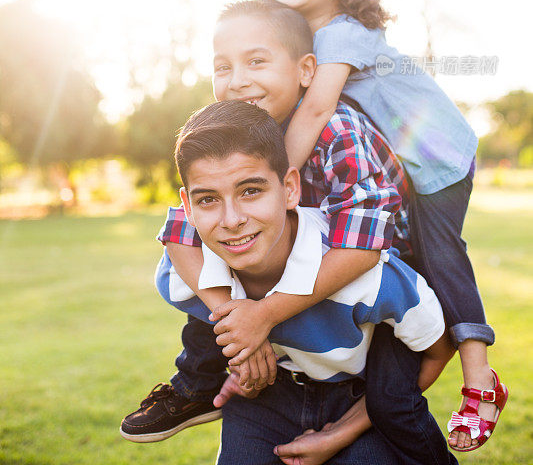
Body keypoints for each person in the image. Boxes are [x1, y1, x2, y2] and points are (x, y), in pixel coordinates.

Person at [121, 0, 458, 465]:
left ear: (306, 71)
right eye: (223, 66)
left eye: (256, 61)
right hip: (277, 256)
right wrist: (236, 321)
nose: (237, 80)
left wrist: (262, 318)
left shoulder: (337, 127)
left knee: (390, 399)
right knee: (216, 281)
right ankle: (198, 384)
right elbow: (180, 231)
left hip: (378, 265)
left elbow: (363, 245)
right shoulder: (231, 135)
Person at [263, 0, 508, 453]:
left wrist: (274, 179)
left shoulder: (341, 33)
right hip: (403, 170)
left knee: (441, 258)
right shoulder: (302, 42)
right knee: (408, 282)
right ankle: (372, 407)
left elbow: (317, 111)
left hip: (437, 159)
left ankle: (480, 377)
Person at [157, 99, 451, 465]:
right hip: (263, 397)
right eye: (208, 199)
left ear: (290, 188)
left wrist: (344, 429)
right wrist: (242, 335)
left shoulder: (364, 275)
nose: (231, 220)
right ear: (187, 206)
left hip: (357, 400)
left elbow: (437, 349)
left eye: (251, 191)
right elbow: (181, 255)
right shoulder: (186, 270)